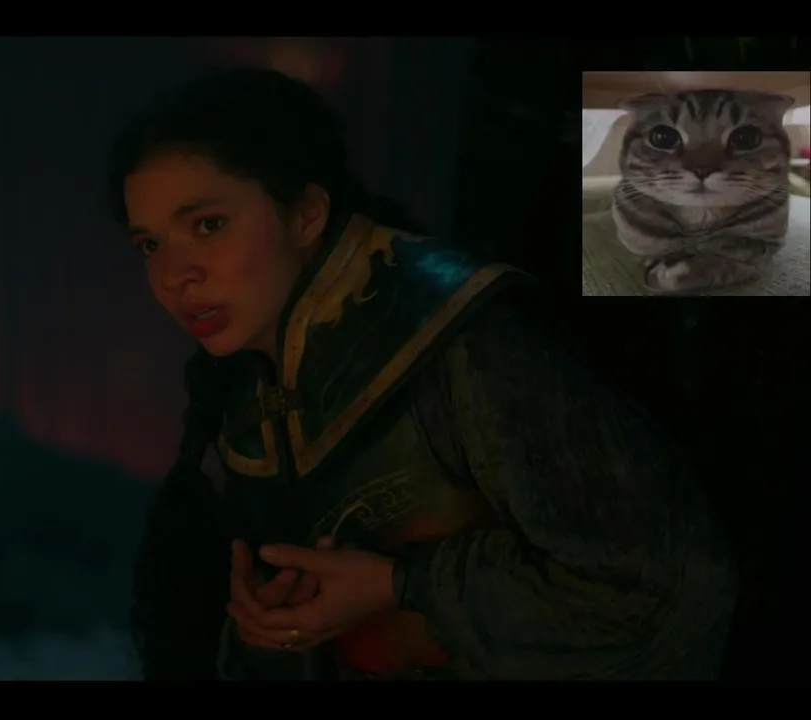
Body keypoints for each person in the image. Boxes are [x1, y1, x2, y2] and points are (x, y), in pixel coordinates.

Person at [109, 68, 737, 681]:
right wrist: (272, 634)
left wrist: (399, 584)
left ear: (305, 215)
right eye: (150, 245)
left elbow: (660, 583)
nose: (175, 275)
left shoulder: (462, 343)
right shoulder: (248, 408)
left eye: (208, 225)